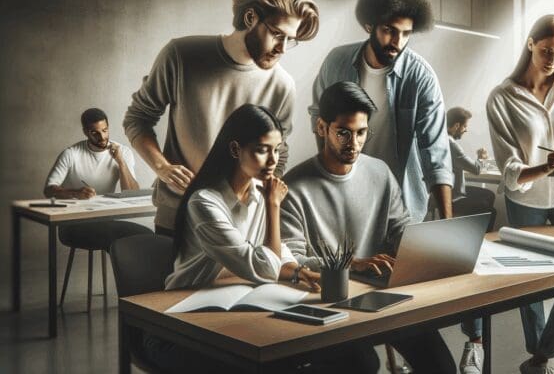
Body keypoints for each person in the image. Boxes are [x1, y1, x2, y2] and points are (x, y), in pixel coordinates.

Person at [153, 105, 378, 374]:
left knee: (358, 357)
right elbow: (261, 267)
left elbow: (278, 255)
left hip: (236, 314)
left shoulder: (258, 193)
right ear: (236, 150)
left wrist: (303, 272)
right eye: (262, 149)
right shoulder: (204, 203)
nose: (273, 161)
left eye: (277, 149)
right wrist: (274, 206)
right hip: (186, 325)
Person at [282, 82, 456, 374]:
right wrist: (354, 265)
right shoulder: (294, 187)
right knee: (364, 365)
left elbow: (400, 227)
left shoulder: (379, 172)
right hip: (329, 300)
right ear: (321, 128)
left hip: (379, 294)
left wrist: (429, 249)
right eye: (344, 132)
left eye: (361, 132)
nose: (354, 143)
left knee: (441, 367)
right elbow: (292, 260)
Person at [124, 0, 319, 236]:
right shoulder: (182, 55)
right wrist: (162, 168)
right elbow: (137, 119)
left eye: (290, 40)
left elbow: (278, 154)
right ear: (251, 17)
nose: (282, 48)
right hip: (179, 215)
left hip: (242, 226)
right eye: (277, 34)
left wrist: (258, 205)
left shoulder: (283, 85)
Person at [479, 15, 554, 374]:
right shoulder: (500, 98)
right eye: (547, 51)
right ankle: (537, 355)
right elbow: (509, 168)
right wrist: (545, 166)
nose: (553, 60)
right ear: (530, 44)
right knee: (529, 280)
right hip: (526, 198)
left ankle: (542, 355)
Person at [309, 0, 453, 224]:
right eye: (389, 30)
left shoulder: (421, 76)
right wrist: (329, 169)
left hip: (402, 202)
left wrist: (448, 223)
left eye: (406, 33)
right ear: (369, 26)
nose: (398, 42)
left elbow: (435, 150)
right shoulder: (336, 62)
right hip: (347, 196)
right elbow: (319, 117)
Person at [45, 108, 139, 199]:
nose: (102, 137)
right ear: (85, 132)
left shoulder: (123, 152)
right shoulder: (70, 154)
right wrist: (75, 193)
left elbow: (132, 194)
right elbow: (48, 190)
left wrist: (121, 162)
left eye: (104, 130)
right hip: (75, 211)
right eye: (95, 133)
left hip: (104, 211)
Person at [446, 107, 497, 230]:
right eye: (465, 126)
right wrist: (482, 157)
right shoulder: (452, 144)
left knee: (489, 195)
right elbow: (476, 169)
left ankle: (470, 229)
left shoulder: (440, 139)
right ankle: (481, 238)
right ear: (457, 125)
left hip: (447, 191)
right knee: (491, 210)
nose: (466, 130)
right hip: (453, 196)